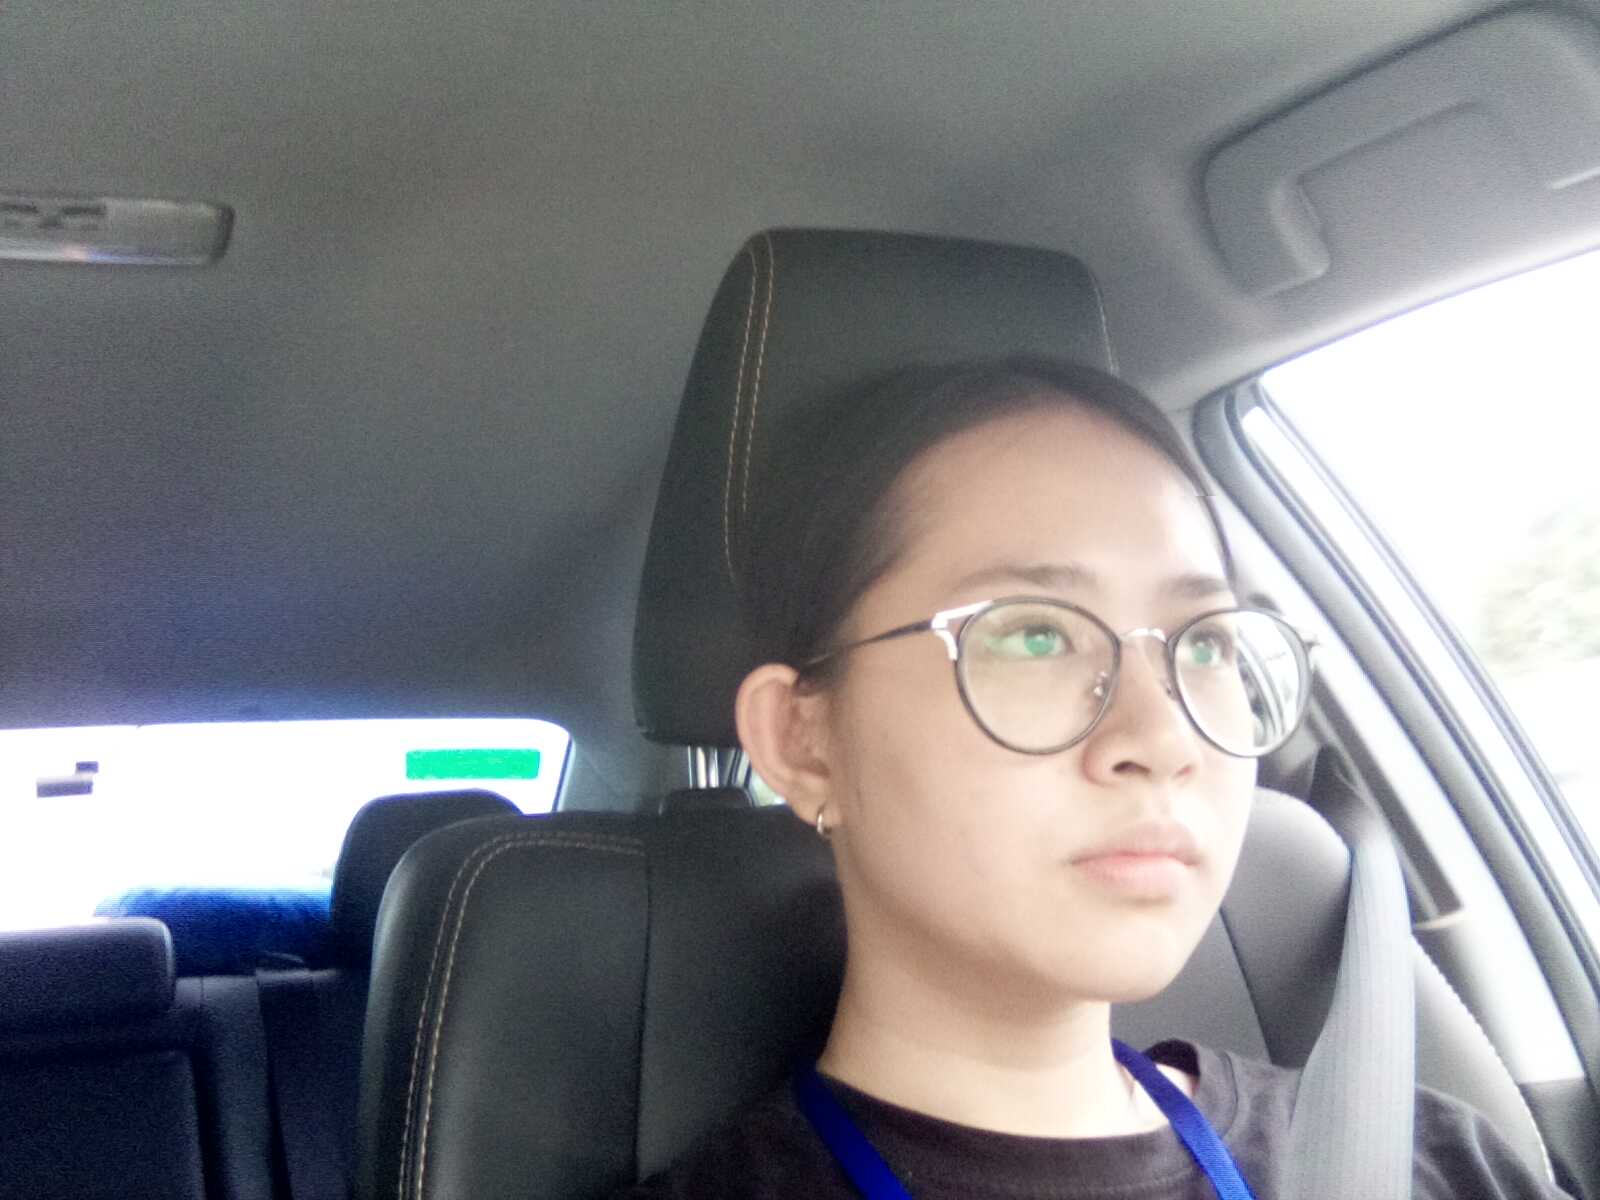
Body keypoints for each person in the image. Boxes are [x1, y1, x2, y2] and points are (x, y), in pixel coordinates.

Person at [623, 358, 1568, 1199]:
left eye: (1206, 644)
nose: (1164, 737)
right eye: (1034, 635)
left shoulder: (1428, 1162)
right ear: (803, 744)